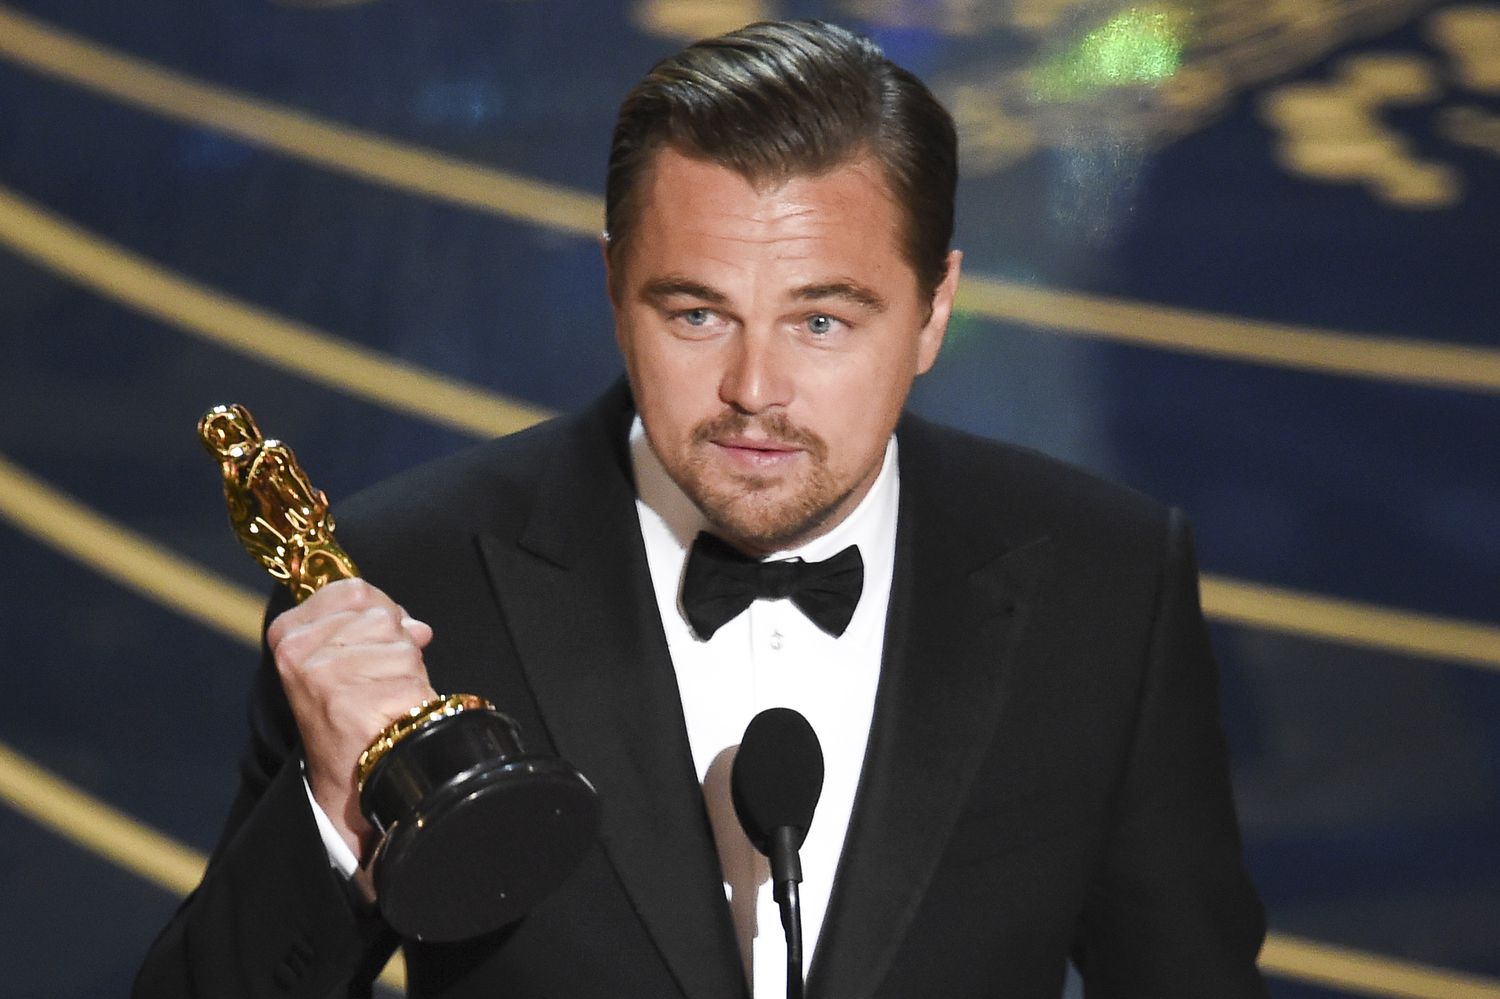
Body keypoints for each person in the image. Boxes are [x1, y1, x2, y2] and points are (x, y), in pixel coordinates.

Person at [136, 19, 1268, 998]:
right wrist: (338, 816)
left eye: (822, 321)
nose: (755, 391)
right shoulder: (412, 574)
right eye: (695, 315)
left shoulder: (1106, 582)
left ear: (933, 313)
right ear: (617, 290)